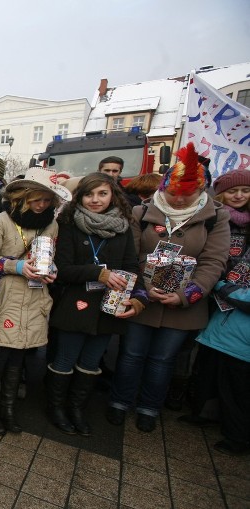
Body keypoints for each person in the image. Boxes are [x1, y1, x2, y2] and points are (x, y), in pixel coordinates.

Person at [107, 143, 230, 432]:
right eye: (173, 193)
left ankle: (149, 407)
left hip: (181, 306)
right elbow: (131, 254)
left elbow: (213, 261)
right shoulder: (142, 211)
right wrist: (141, 290)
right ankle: (119, 401)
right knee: (131, 354)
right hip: (143, 297)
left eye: (187, 194)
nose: (178, 199)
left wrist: (187, 295)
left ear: (201, 190)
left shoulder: (215, 217)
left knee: (163, 359)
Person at [47, 173, 144, 436]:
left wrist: (137, 298)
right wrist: (97, 273)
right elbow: (63, 269)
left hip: (108, 305)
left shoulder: (122, 226)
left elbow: (131, 267)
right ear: (80, 196)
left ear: (113, 194)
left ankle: (77, 408)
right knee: (65, 358)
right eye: (89, 194)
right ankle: (56, 408)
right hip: (75, 305)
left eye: (102, 193)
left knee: (91, 361)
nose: (95, 200)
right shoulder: (68, 223)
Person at [0, 168, 70, 436]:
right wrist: (15, 265)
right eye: (37, 199)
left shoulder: (51, 224)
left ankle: (8, 409)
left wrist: (51, 269)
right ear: (23, 196)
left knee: (18, 356)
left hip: (34, 296)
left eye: (47, 201)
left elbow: (50, 255)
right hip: (7, 296)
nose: (42, 205)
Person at [179, 169, 250, 429]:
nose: (239, 195)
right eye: (232, 191)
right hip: (207, 290)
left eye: (245, 190)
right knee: (202, 353)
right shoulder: (209, 217)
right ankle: (199, 404)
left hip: (237, 298)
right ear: (220, 194)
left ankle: (228, 419)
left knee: (234, 365)